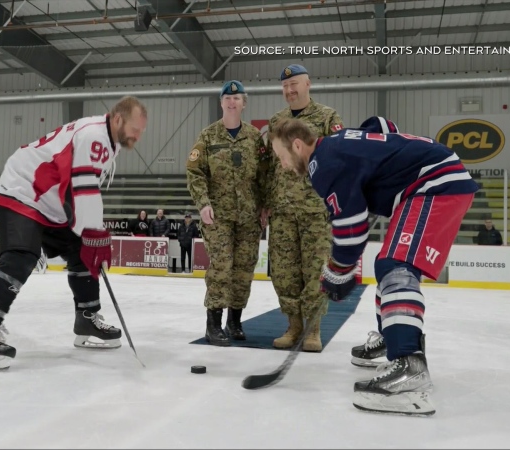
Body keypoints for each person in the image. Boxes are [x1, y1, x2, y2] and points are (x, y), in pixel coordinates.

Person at [269, 117, 479, 416]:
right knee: (386, 264)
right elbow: (384, 126)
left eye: (282, 156)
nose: (283, 165)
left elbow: (352, 229)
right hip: (431, 178)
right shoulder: (340, 142)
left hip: (435, 183)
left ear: (298, 146)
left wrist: (338, 269)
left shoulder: (323, 163)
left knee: (397, 266)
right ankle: (392, 338)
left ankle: (409, 367)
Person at [0, 96, 148, 370]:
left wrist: (89, 233)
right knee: (22, 256)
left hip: (50, 200)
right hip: (25, 189)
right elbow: (83, 186)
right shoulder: (94, 135)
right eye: (135, 128)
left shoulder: (109, 141)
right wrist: (94, 230)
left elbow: (78, 184)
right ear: (117, 119)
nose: (138, 136)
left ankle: (86, 318)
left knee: (82, 250)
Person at [265, 64, 345, 352]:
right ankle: (293, 326)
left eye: (295, 84)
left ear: (308, 84)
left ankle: (313, 330)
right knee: (285, 273)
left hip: (315, 210)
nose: (290, 90)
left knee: (314, 270)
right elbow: (270, 168)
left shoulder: (327, 117)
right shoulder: (276, 121)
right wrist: (267, 203)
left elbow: (339, 160)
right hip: (283, 210)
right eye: (285, 86)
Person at [187, 80, 270, 346]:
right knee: (221, 267)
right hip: (218, 215)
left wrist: (264, 206)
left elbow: (264, 175)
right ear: (221, 103)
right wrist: (203, 203)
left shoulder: (255, 137)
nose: (232, 102)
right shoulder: (208, 136)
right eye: (227, 98)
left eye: (237, 98)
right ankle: (213, 325)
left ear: (243, 104)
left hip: (249, 216)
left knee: (244, 268)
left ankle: (234, 322)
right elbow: (195, 172)